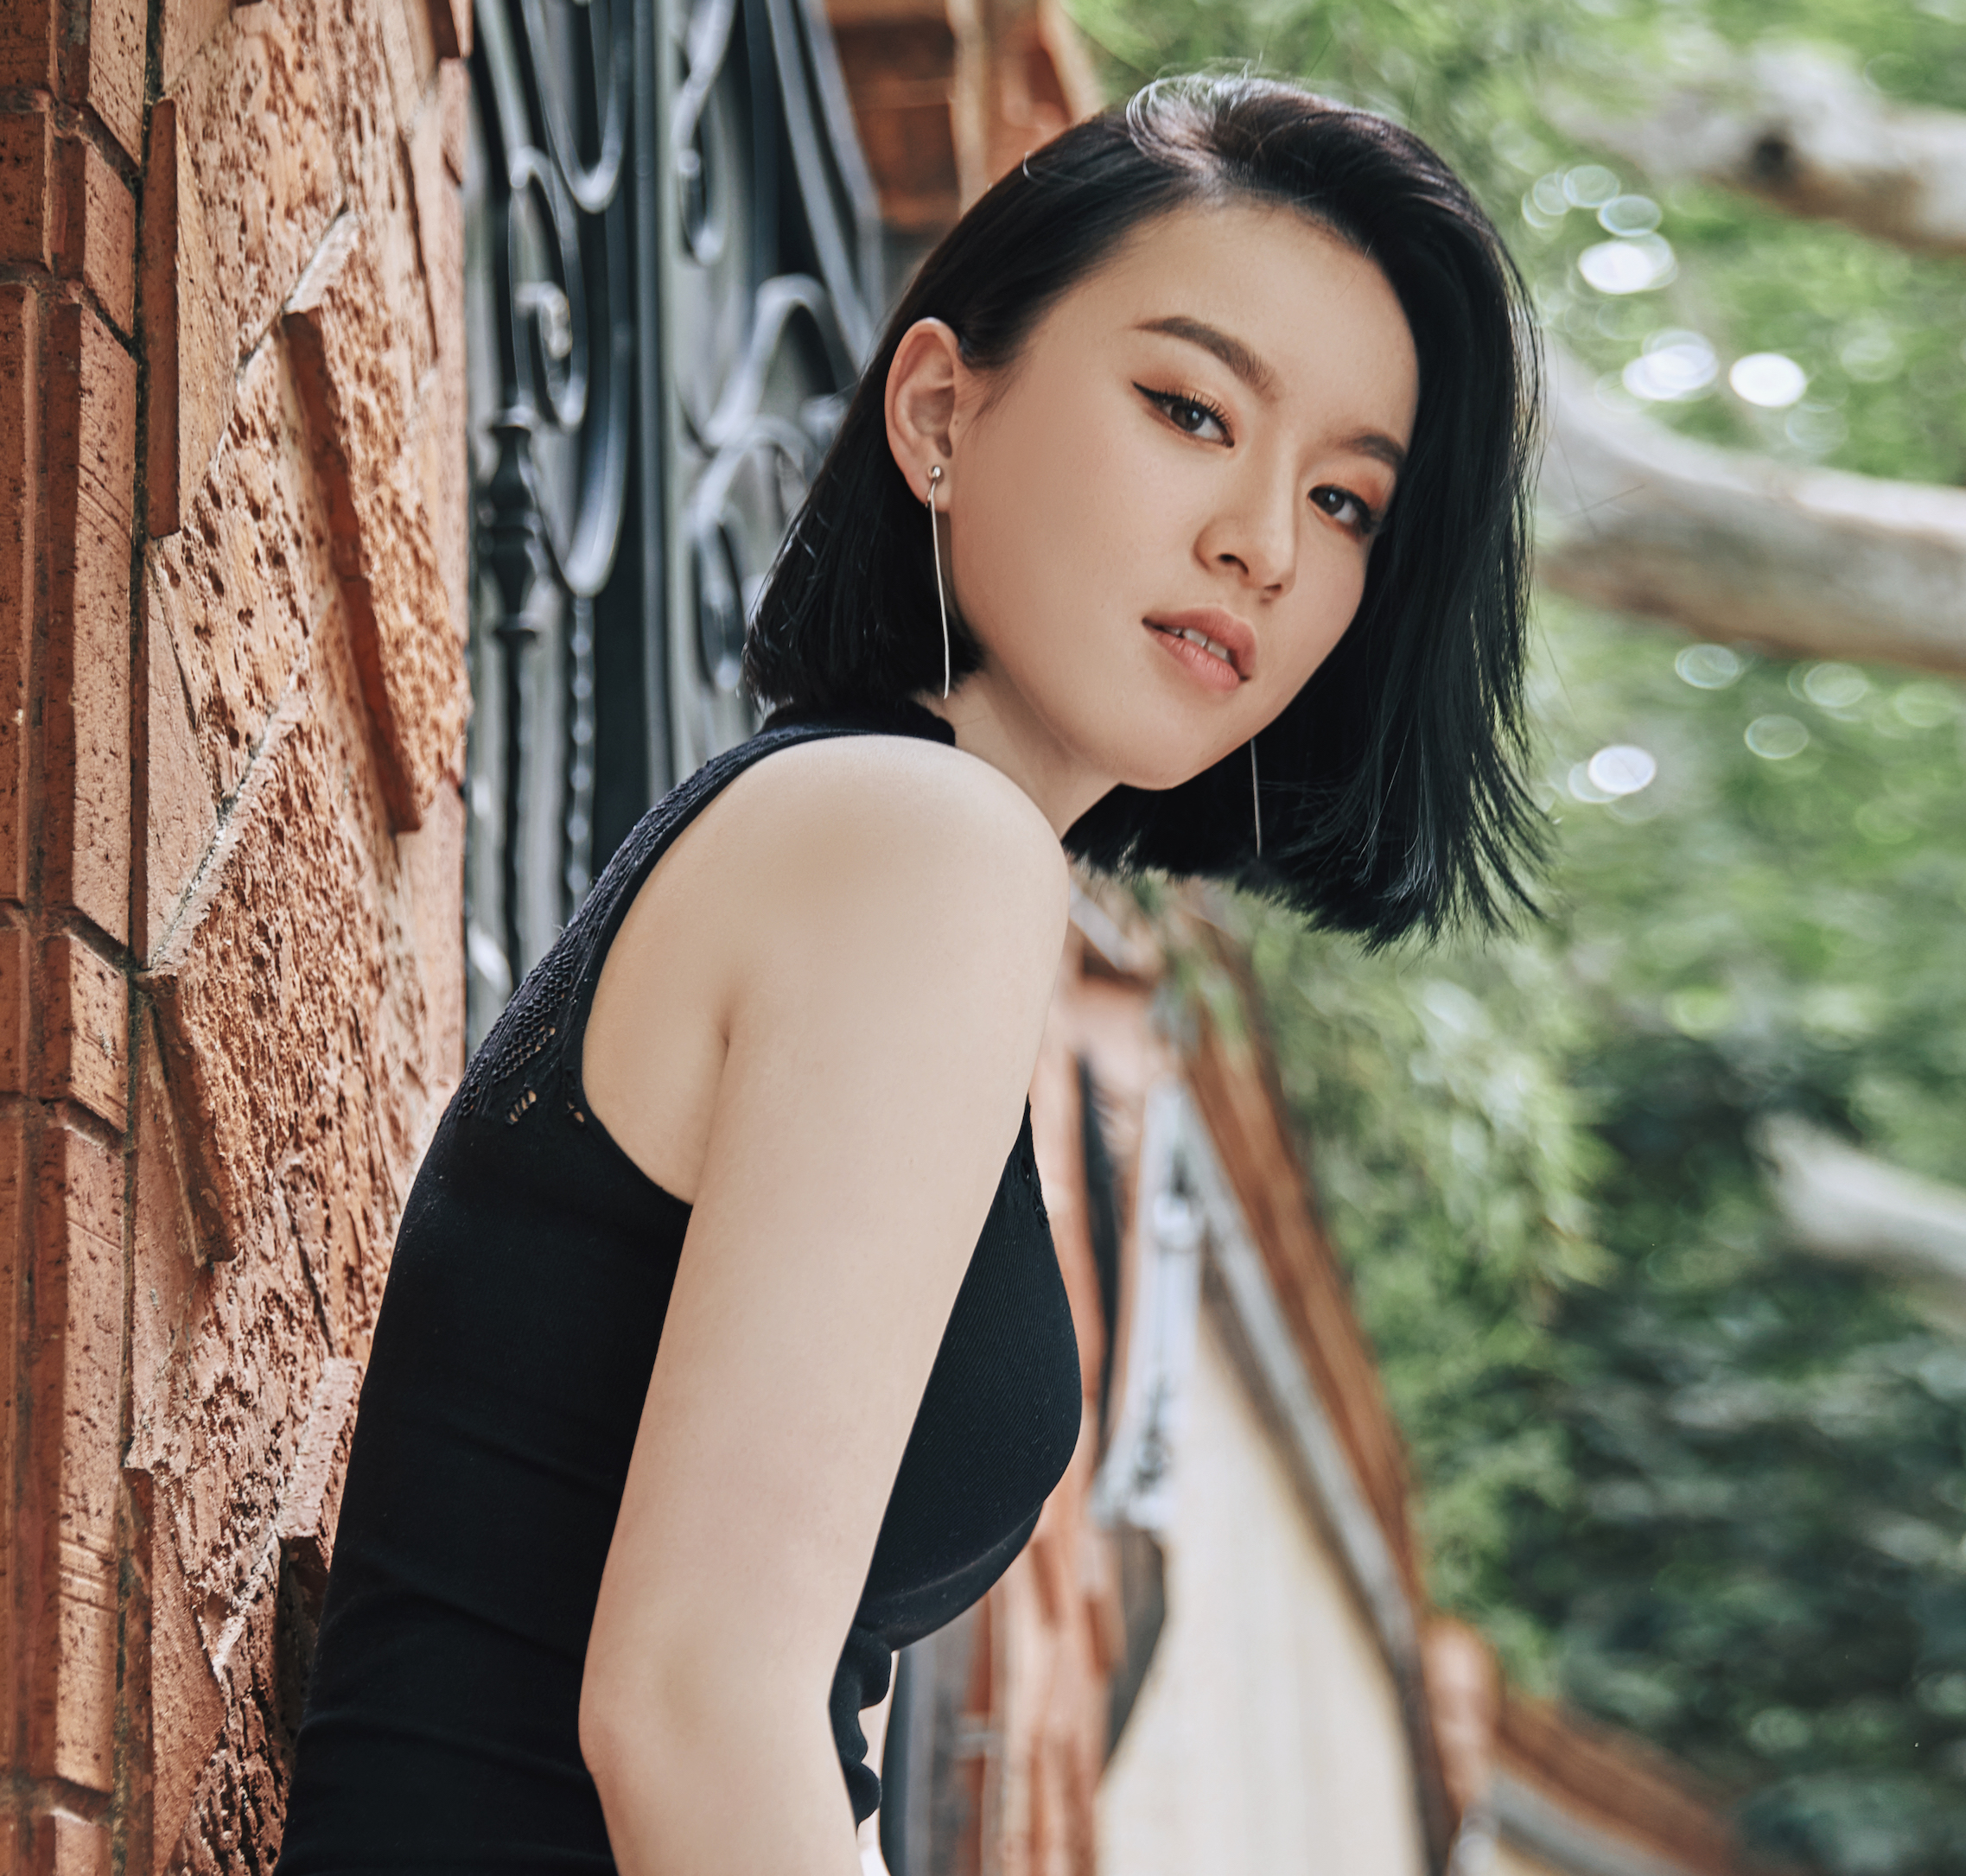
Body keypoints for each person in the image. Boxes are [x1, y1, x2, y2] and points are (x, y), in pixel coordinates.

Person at [275, 73, 1542, 1874]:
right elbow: (695, 1708)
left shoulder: (850, 834)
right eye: (1190, 407)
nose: (1261, 536)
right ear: (940, 410)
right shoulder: (917, 850)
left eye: (1346, 502)